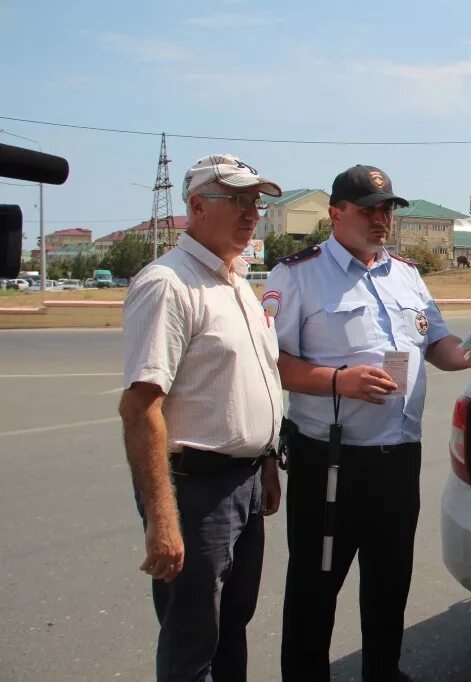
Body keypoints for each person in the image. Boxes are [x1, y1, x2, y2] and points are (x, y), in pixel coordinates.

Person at [264, 165, 471, 682]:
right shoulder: (298, 274)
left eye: (388, 209)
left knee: (390, 583)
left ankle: (384, 672)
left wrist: (469, 356)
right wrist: (338, 381)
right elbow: (272, 364)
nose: (381, 219)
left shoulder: (406, 273)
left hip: (397, 457)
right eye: (369, 209)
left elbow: (436, 343)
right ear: (335, 213)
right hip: (329, 460)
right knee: (315, 584)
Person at [119, 153, 285, 681]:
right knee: (194, 640)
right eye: (237, 200)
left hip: (245, 483)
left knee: (231, 626)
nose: (251, 213)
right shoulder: (169, 284)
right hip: (196, 491)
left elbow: (245, 384)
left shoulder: (234, 281)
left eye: (255, 202)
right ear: (195, 206)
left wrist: (266, 463)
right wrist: (162, 519)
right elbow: (141, 407)